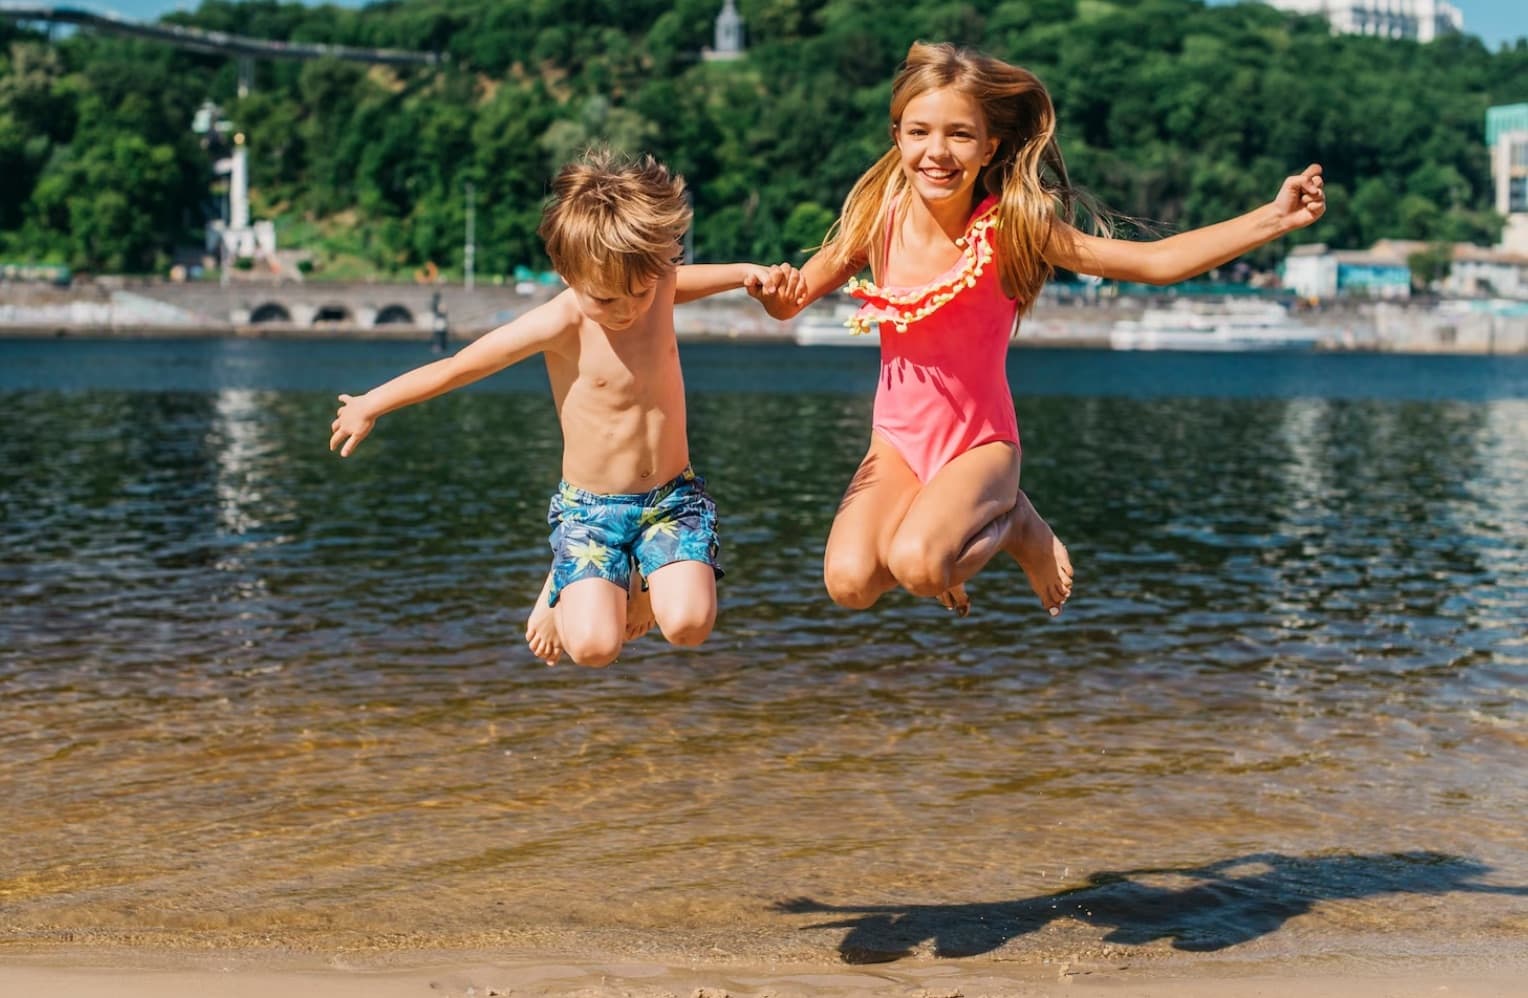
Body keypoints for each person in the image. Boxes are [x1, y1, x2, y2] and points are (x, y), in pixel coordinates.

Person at [753, 41, 1326, 619]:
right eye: (919, 132)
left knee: (920, 567)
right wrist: (777, 296)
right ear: (897, 136)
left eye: (959, 134)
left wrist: (1274, 217)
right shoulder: (878, 218)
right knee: (849, 584)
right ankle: (946, 545)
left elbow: (1155, 264)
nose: (937, 152)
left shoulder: (1011, 226)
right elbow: (793, 300)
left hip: (979, 446)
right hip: (895, 443)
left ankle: (1016, 524)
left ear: (989, 147)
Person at [330, 149, 805, 667]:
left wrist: (746, 275)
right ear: (564, 272)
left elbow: (683, 280)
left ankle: (639, 577)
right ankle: (564, 577)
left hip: (671, 498)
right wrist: (371, 403)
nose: (625, 311)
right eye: (605, 300)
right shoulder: (558, 322)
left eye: (640, 293)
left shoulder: (658, 283)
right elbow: (458, 366)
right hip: (592, 512)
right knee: (594, 649)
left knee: (689, 625)